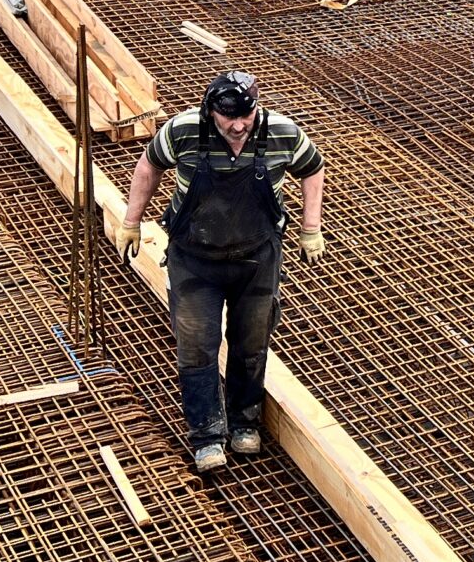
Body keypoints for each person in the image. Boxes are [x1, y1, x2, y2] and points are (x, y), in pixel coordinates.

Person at [119, 69, 325, 475]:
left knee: (251, 342)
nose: (238, 126)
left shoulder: (281, 132)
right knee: (197, 346)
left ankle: (245, 423)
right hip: (196, 260)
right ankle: (207, 435)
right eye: (228, 117)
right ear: (211, 110)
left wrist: (311, 227)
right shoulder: (183, 131)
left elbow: (313, 169)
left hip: (256, 259)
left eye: (245, 116)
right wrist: (131, 220)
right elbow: (148, 168)